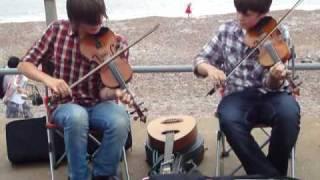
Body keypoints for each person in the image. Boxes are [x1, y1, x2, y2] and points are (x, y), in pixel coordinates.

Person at [18, 0, 132, 179]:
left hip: (97, 103)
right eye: (90, 21)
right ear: (74, 20)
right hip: (65, 105)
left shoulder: (115, 43)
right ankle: (79, 176)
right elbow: (24, 65)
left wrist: (116, 92)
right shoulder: (56, 31)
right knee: (77, 116)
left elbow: (104, 92)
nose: (97, 25)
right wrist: (50, 80)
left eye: (100, 18)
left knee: (121, 120)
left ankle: (103, 173)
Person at [193, 0, 300, 177]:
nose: (239, 17)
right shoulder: (226, 31)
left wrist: (274, 76)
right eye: (238, 11)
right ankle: (272, 176)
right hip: (237, 95)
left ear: (263, 14)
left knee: (290, 115)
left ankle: (269, 172)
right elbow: (199, 60)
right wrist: (210, 69)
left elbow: (274, 85)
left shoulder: (279, 33)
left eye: (246, 14)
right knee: (228, 119)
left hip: (273, 94)